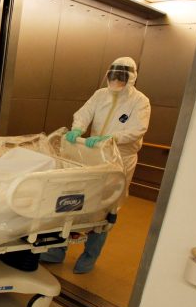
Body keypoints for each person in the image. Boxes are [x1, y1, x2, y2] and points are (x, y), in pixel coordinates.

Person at [40, 56, 151, 274]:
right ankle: (57, 251)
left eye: (121, 77)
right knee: (73, 202)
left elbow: (138, 129)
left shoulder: (140, 101)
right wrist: (78, 128)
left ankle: (90, 256)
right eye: (113, 76)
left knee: (106, 209)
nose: (116, 81)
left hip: (119, 160)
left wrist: (110, 139)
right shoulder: (101, 95)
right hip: (92, 155)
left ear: (130, 79)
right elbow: (84, 113)